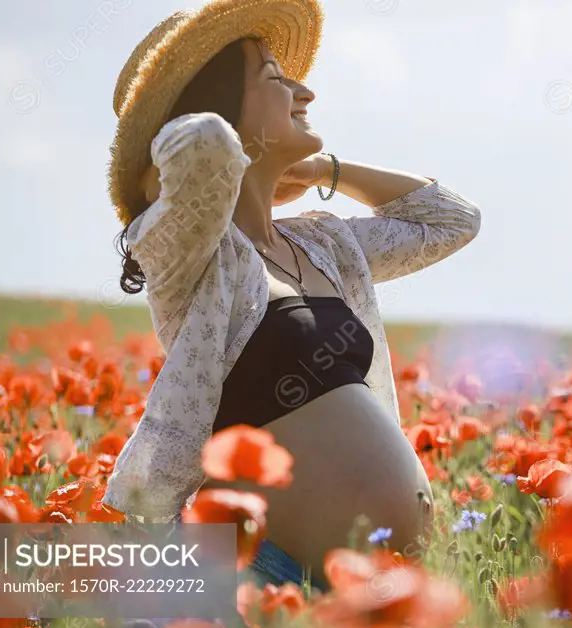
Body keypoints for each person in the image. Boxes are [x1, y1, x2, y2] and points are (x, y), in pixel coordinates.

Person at [102, 0, 482, 592]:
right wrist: (215, 140)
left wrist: (323, 169)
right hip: (265, 578)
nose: (304, 91)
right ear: (222, 106)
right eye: (277, 78)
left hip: (373, 588)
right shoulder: (195, 258)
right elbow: (201, 145)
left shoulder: (325, 243)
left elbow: (452, 220)